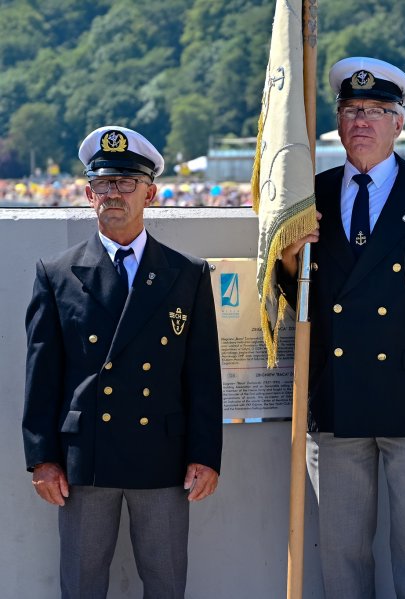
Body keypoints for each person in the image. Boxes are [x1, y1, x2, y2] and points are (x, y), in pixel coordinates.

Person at [278, 57, 405, 598]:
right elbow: (291, 301)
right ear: (338, 124)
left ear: (400, 123)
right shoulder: (309, 198)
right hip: (338, 397)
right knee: (344, 554)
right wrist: (290, 261)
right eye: (350, 111)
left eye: (376, 111)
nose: (362, 121)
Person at [23, 126, 223, 599]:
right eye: (104, 184)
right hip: (84, 459)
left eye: (126, 183)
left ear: (150, 193)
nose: (114, 194)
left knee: (166, 584)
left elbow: (202, 375)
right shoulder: (56, 273)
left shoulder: (186, 274)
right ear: (89, 193)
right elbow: (42, 374)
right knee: (82, 587)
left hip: (164, 455)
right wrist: (42, 458)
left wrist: (205, 454)